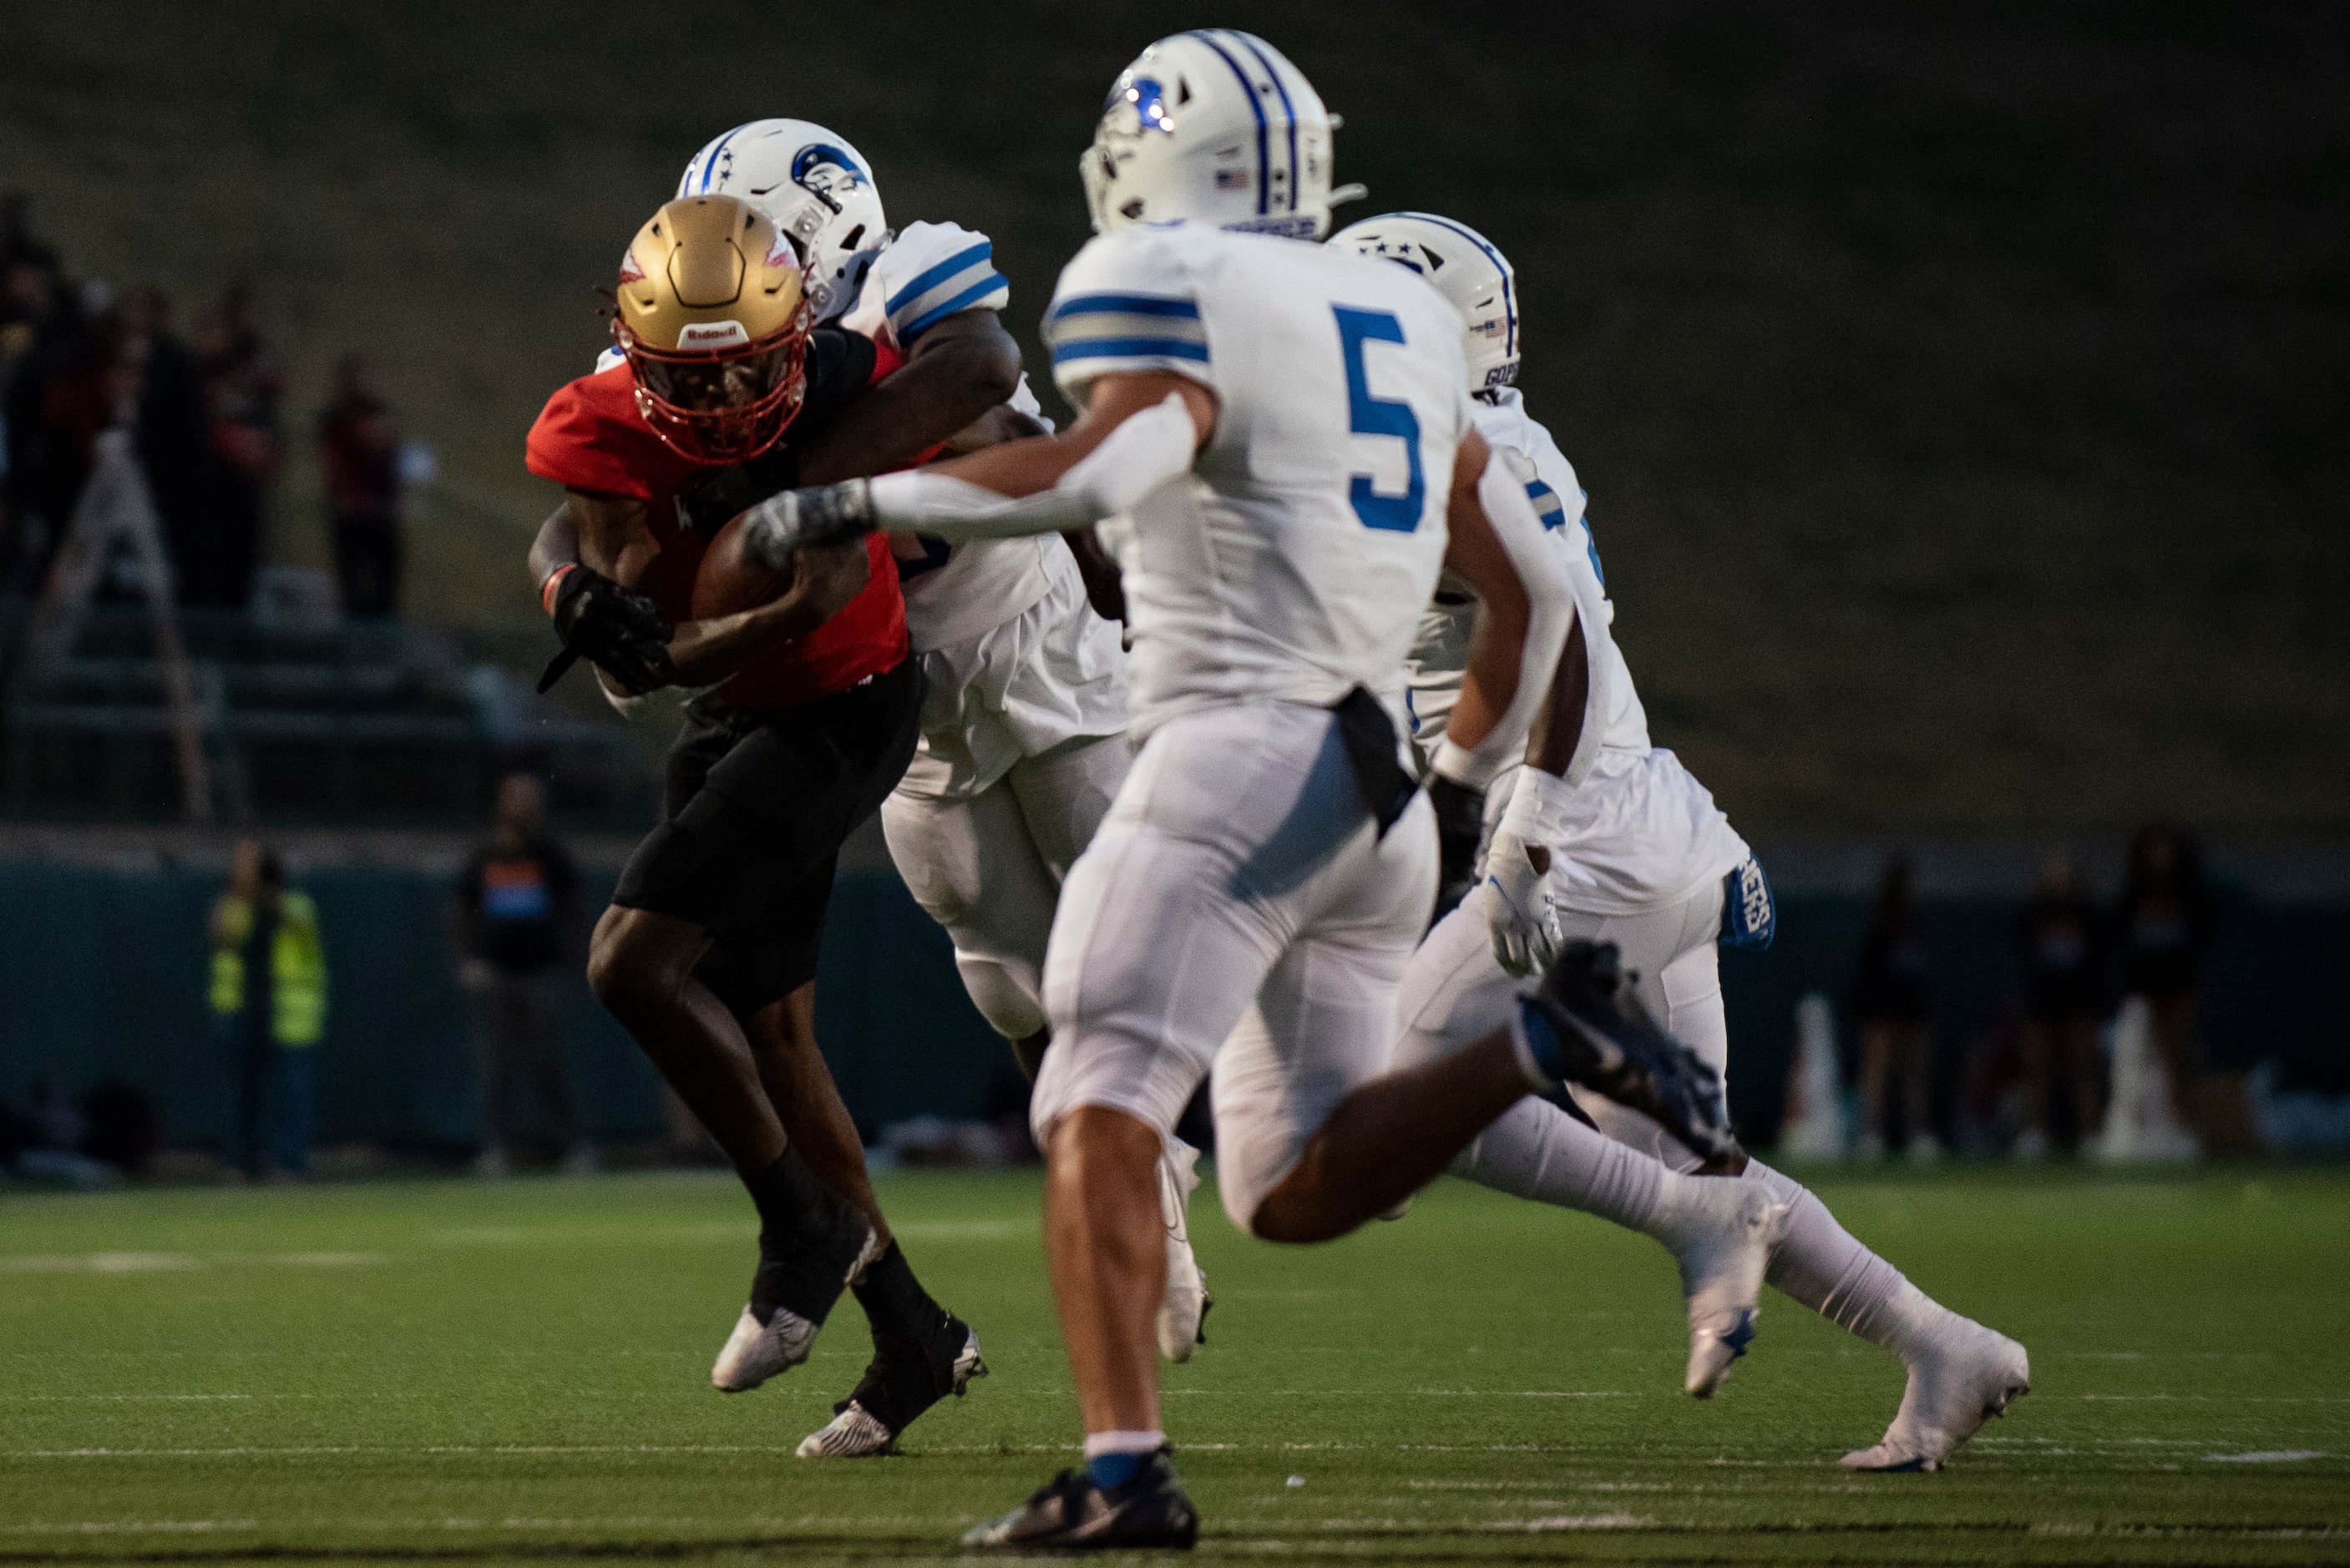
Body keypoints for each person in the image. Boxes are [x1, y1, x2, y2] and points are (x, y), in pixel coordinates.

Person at [734, 33, 1775, 1548]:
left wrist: (848, 500)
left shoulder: (1148, 283)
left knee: (1089, 1100)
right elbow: (1533, 598)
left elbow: (1099, 473)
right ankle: (1548, 1036)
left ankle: (1122, 1475)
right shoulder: (1401, 326)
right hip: (1372, 787)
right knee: (1282, 1181)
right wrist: (1476, 807)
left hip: (1232, 749)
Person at [1348, 211, 2028, 1474]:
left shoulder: (1455, 449)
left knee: (1390, 1111)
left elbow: (1563, 646)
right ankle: (1945, 1345)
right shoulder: (1490, 438)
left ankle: (1706, 1222)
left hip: (1574, 835)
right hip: (1625, 816)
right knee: (1691, 1163)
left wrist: (1524, 840)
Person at [676, 118, 1208, 1383]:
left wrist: (797, 481)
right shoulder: (700, 359)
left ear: (819, 239)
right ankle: (1156, 1177)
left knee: (1123, 943)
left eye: (752, 245)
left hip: (1044, 652)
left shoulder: (910, 288)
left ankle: (1169, 1205)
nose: (724, 275)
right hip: (902, 705)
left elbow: (979, 386)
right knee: (1013, 985)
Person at [524, 192, 1019, 1458]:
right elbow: (623, 592)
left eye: (749, 361)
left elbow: (981, 367)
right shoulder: (598, 415)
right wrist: (580, 591)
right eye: (695, 371)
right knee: (773, 1034)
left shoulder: (852, 375)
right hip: (739, 700)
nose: (725, 390)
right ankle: (911, 1330)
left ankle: (802, 1227)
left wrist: (787, 527)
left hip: (842, 706)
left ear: (799, 325)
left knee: (632, 963)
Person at [455, 773, 590, 1177]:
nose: (524, 807)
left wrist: (574, 959)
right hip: (496, 975)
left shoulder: (549, 855)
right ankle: (497, 1148)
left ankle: (572, 1145)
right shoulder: (484, 854)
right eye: (516, 799)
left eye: (530, 800)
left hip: (541, 974)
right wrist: (468, 961)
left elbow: (572, 910)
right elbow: (460, 910)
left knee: (548, 1061)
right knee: (497, 1066)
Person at [208, 840, 327, 1181]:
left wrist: (259, 891)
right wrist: (235, 897)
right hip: (241, 1010)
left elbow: (296, 924)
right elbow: (218, 937)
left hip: (288, 1015)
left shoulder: (296, 904)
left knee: (291, 1094)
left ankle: (289, 1164)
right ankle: (241, 1163)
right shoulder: (232, 906)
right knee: (241, 1093)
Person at [2114, 823, 2232, 1148]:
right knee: (2135, 1061)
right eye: (2154, 850)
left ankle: (2184, 1128)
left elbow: (2202, 935)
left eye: (2166, 850)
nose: (2160, 857)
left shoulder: (2188, 894)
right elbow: (2120, 935)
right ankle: (2129, 1132)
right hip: (2142, 987)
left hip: (2178, 985)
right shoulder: (2135, 893)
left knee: (2178, 1057)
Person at [192, 281, 279, 609]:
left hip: (246, 473)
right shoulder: (212, 364)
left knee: (243, 558)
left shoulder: (255, 357)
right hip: (217, 472)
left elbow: (264, 410)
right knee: (215, 557)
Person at [2014, 850, 2104, 1157]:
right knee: (2038, 1069)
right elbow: (2024, 948)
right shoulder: (2036, 913)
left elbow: (2098, 955)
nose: (2061, 878)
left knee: (2084, 1069)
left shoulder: (2086, 913)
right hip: (2042, 1003)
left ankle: (2091, 1135)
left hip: (2079, 1003)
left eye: (2066, 872)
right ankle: (2035, 1132)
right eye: (2055, 872)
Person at [1851, 854, 1939, 1161]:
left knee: (1914, 1074)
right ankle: (1872, 1135)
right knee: (1878, 1074)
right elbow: (1869, 971)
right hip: (1882, 1011)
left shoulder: (1919, 920)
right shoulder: (1881, 921)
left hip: (1913, 1009)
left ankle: (1916, 1134)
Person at [317, 354, 403, 618]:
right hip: (349, 511)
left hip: (379, 510)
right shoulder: (335, 419)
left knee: (384, 583)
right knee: (352, 584)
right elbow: (333, 463)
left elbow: (390, 456)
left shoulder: (378, 413)